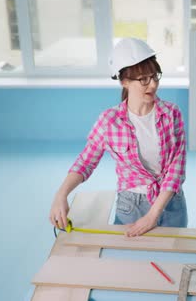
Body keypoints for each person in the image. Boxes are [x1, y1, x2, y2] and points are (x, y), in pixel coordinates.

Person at [49, 38, 188, 237]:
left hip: (171, 204)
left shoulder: (172, 114)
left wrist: (153, 215)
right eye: (143, 79)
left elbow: (176, 170)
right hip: (131, 207)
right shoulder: (109, 121)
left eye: (155, 76)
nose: (153, 84)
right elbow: (85, 162)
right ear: (124, 81)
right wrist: (60, 195)